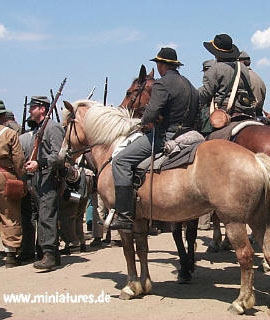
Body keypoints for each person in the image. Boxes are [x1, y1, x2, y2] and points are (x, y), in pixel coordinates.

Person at [111, 47, 199, 230]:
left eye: (158, 64)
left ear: (161, 65)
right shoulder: (190, 85)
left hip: (165, 136)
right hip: (189, 135)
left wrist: (143, 122)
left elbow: (151, 114)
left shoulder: (162, 84)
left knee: (120, 160)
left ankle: (124, 215)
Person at [25, 96, 65, 270]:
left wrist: (39, 163)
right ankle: (50, 254)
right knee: (42, 216)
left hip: (50, 176)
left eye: (33, 107)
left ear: (42, 109)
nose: (29, 110)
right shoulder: (39, 129)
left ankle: (49, 254)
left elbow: (60, 155)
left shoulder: (53, 128)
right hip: (39, 179)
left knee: (47, 216)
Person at [199, 34, 255, 126]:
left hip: (223, 110)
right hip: (244, 109)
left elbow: (206, 94)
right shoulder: (243, 68)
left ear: (215, 52)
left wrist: (192, 95)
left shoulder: (214, 69)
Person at [0, 101, 25, 267]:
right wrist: (22, 179)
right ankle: (10, 254)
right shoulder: (10, 133)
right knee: (10, 214)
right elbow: (18, 160)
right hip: (5, 176)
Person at [238, 51, 266, 117]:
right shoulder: (258, 77)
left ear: (241, 62)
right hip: (259, 114)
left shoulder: (241, 76)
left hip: (246, 114)